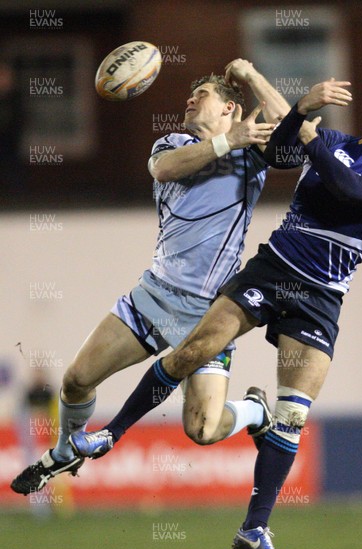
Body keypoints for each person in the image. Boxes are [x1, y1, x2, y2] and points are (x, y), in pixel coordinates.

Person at [55, 78, 362, 549]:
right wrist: (300, 111)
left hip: (321, 297)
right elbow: (280, 150)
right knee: (191, 351)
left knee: (293, 414)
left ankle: (254, 527)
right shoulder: (336, 142)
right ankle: (110, 435)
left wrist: (305, 130)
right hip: (272, 269)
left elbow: (352, 188)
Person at [10, 59, 290, 495]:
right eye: (190, 95)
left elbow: (292, 129)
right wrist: (227, 139)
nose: (190, 99)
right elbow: (164, 169)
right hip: (154, 295)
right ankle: (66, 451)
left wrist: (253, 76)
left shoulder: (252, 153)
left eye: (203, 95)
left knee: (203, 430)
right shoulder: (172, 143)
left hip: (210, 313)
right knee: (76, 379)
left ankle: (255, 411)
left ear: (231, 108)